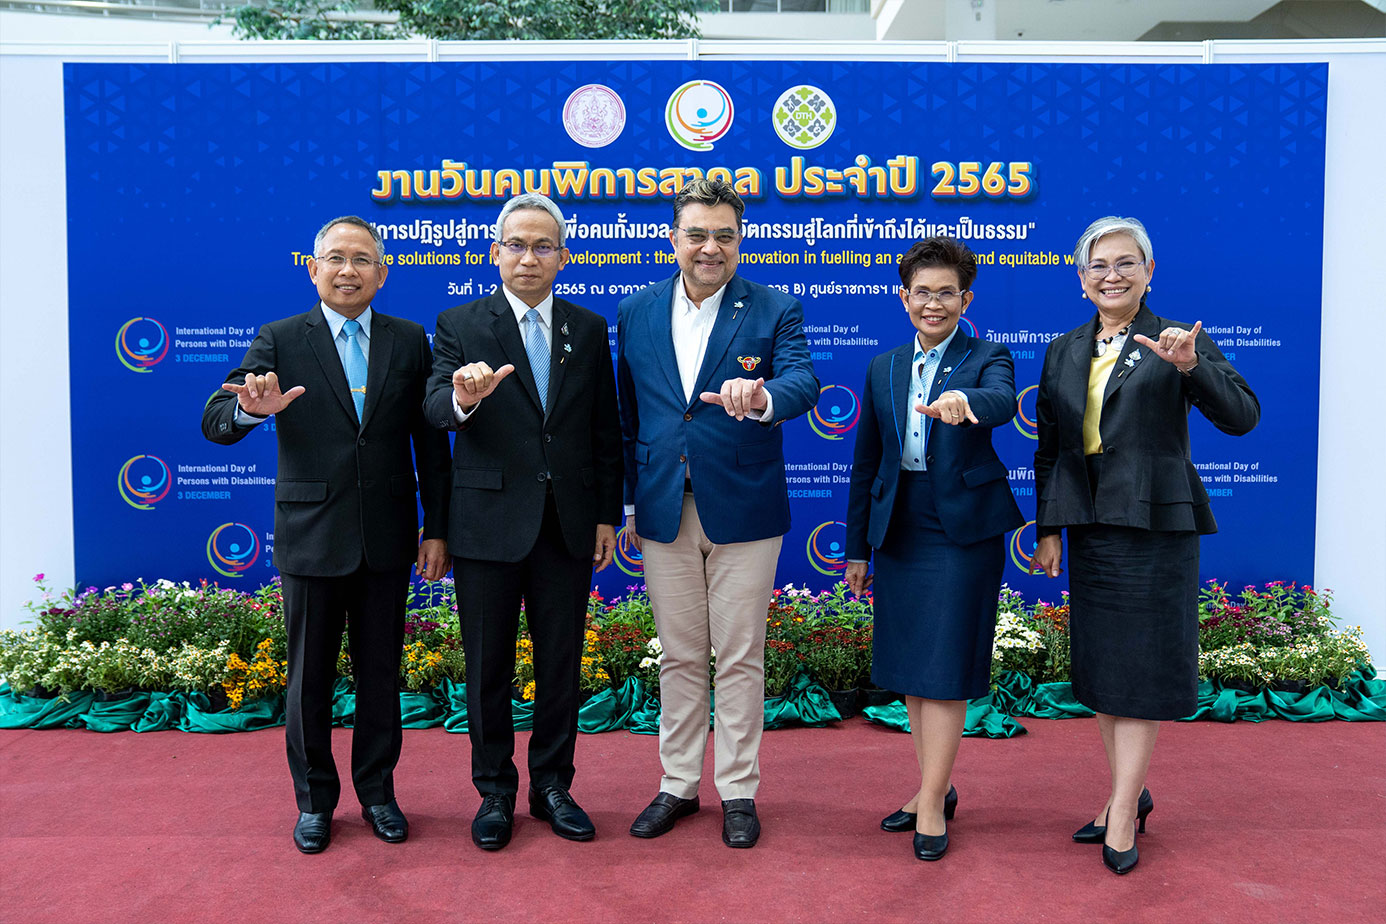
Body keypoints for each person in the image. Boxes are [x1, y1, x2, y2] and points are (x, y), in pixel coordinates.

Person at [202, 215, 451, 854]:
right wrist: (247, 412)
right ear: (312, 269)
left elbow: (431, 444)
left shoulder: (409, 339)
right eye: (335, 258)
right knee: (309, 679)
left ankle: (377, 794)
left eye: (362, 259)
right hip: (312, 536)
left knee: (380, 674)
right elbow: (216, 418)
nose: (348, 270)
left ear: (382, 272)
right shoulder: (281, 339)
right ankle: (314, 802)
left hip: (389, 537)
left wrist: (437, 528)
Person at [1030, 216, 1259, 875]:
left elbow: (1243, 417)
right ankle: (1126, 791)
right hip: (1091, 525)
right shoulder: (1064, 350)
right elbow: (1051, 448)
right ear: (1080, 280)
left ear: (1149, 272)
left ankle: (1123, 811)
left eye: (1126, 263)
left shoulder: (1176, 338)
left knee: (1142, 670)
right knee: (1105, 670)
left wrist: (1194, 371)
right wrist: (1049, 527)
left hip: (1156, 525)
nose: (1112, 275)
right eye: (1099, 266)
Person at [616, 178, 819, 848]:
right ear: (672, 239)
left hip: (745, 510)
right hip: (663, 508)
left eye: (724, 235)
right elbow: (629, 416)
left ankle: (737, 790)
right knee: (677, 655)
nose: (711, 247)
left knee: (738, 655)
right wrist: (624, 500)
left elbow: (802, 382)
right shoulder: (636, 311)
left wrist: (760, 397)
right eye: (697, 234)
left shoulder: (773, 306)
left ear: (741, 240)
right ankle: (677, 784)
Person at [424, 193, 623, 851]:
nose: (528, 257)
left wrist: (604, 514)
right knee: (487, 665)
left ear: (563, 257)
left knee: (560, 661)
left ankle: (552, 787)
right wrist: (463, 395)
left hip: (566, 523)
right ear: (495, 252)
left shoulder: (588, 328)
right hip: (485, 523)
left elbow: (604, 429)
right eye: (516, 244)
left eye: (543, 246)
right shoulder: (459, 323)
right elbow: (434, 411)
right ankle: (494, 793)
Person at [843, 236, 1023, 862]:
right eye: (923, 292)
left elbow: (1002, 401)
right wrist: (859, 548)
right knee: (913, 673)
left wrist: (964, 402)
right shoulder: (884, 366)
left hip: (961, 530)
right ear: (904, 297)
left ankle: (930, 807)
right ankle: (933, 789)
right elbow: (867, 462)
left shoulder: (987, 355)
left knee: (944, 672)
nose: (934, 303)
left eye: (947, 293)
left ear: (965, 298)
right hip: (898, 527)